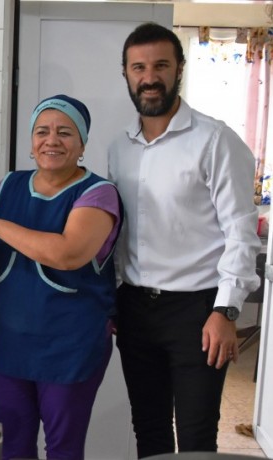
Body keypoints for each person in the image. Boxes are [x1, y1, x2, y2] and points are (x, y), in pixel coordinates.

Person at [0, 94, 123, 460]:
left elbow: (68, 254)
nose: (52, 140)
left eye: (65, 133)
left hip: (70, 346)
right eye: (42, 131)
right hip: (13, 345)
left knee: (63, 449)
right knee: (11, 446)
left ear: (82, 144)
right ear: (32, 142)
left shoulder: (97, 194)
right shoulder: (10, 186)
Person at [107, 23, 261, 457]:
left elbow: (240, 232)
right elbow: (121, 234)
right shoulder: (119, 148)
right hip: (136, 308)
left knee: (196, 437)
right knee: (149, 432)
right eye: (139, 67)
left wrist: (226, 311)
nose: (149, 77)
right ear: (126, 74)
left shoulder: (215, 140)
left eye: (160, 65)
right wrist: (115, 296)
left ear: (179, 70)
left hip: (198, 311)